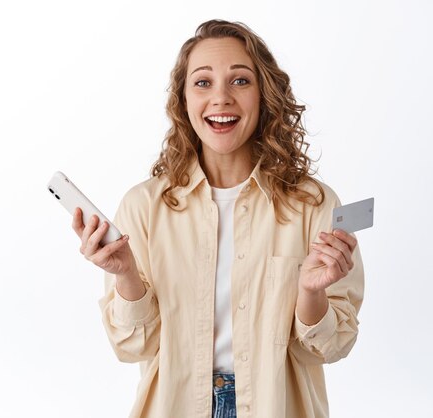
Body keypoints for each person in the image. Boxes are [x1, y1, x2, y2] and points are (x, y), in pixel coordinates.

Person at [72, 19, 364, 418]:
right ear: (183, 99)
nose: (221, 98)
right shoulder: (143, 206)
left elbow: (332, 347)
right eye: (203, 82)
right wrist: (125, 275)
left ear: (265, 95)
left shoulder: (315, 206)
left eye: (240, 81)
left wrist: (310, 293)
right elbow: (131, 347)